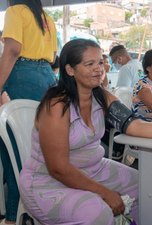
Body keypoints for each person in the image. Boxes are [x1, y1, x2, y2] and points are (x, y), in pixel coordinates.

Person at [18, 38, 152, 225]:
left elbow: (134, 125)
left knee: (145, 187)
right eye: (90, 64)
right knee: (97, 213)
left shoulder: (101, 96)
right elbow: (58, 168)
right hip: (49, 181)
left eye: (100, 62)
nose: (99, 68)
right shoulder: (57, 106)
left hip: (93, 169)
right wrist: (105, 192)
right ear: (70, 69)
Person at [0, 0, 57, 224]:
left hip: (22, 77)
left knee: (14, 151)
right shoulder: (46, 17)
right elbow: (53, 58)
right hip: (47, 79)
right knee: (39, 152)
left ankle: (14, 217)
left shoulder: (16, 11)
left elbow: (13, 50)